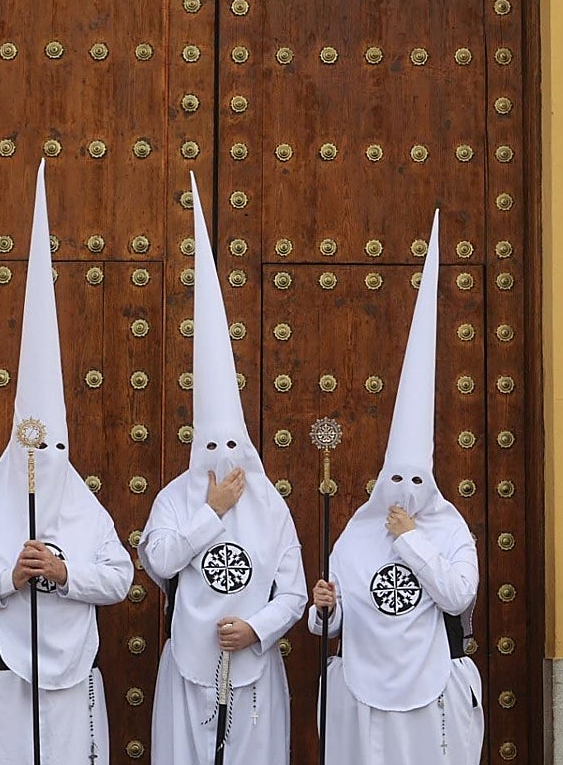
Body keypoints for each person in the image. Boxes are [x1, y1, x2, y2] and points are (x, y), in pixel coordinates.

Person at [0, 160, 134, 765]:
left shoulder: (84, 509)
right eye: (31, 452)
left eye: (51, 454)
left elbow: (120, 577)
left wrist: (63, 567)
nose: (40, 465)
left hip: (69, 673)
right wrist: (8, 578)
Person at [138, 173, 306, 765]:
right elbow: (158, 561)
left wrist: (256, 628)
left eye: (232, 444)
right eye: (211, 445)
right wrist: (211, 514)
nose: (222, 457)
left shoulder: (272, 507)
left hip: (253, 669)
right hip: (188, 664)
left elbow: (293, 591)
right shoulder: (174, 498)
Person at [308, 211, 485, 764]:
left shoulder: (448, 529)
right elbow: (329, 625)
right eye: (396, 480)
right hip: (364, 697)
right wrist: (325, 609)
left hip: (431, 692)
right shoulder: (354, 538)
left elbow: (458, 594)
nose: (404, 490)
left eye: (416, 480)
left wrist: (410, 539)